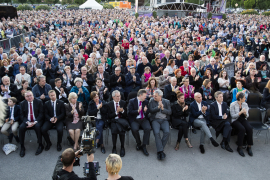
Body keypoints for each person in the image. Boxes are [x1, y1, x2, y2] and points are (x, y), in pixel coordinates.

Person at [19, 90, 44, 157]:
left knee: (37, 127)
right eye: (27, 96)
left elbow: (41, 114)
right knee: (21, 128)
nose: (29, 97)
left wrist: (35, 122)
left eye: (31, 96)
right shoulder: (22, 103)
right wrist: (28, 122)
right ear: (25, 97)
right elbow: (22, 115)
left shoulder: (38, 102)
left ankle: (40, 145)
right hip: (27, 121)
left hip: (36, 120)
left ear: (33, 96)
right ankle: (22, 147)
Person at [148, 90, 171, 160]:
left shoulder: (167, 102)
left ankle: (160, 150)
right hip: (155, 120)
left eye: (155, 96)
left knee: (167, 132)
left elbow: (170, 112)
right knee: (156, 133)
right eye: (153, 95)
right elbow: (151, 110)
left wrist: (163, 108)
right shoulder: (151, 100)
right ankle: (160, 151)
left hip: (164, 120)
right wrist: (158, 107)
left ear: (160, 96)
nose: (153, 97)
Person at [127, 89, 151, 156]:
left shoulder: (146, 101)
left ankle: (144, 145)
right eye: (144, 96)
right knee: (134, 129)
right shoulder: (132, 101)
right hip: (135, 119)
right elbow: (129, 112)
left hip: (143, 119)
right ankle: (138, 143)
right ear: (140, 95)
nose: (145, 97)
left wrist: (146, 111)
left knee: (148, 129)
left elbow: (148, 111)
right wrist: (137, 111)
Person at [230, 92, 253, 157]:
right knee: (242, 129)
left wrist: (245, 113)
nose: (245, 99)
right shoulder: (233, 104)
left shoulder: (245, 104)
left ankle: (249, 146)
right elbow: (233, 116)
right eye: (244, 98)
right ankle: (239, 147)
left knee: (249, 128)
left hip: (243, 119)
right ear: (240, 98)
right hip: (235, 120)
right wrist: (240, 112)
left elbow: (247, 116)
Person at [106, 90, 129, 157]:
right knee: (114, 131)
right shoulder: (109, 104)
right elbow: (109, 116)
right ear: (113, 97)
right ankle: (114, 147)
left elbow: (126, 115)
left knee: (122, 131)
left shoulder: (123, 103)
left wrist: (122, 111)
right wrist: (116, 112)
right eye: (117, 96)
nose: (119, 98)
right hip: (113, 121)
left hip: (121, 121)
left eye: (119, 96)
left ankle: (122, 147)